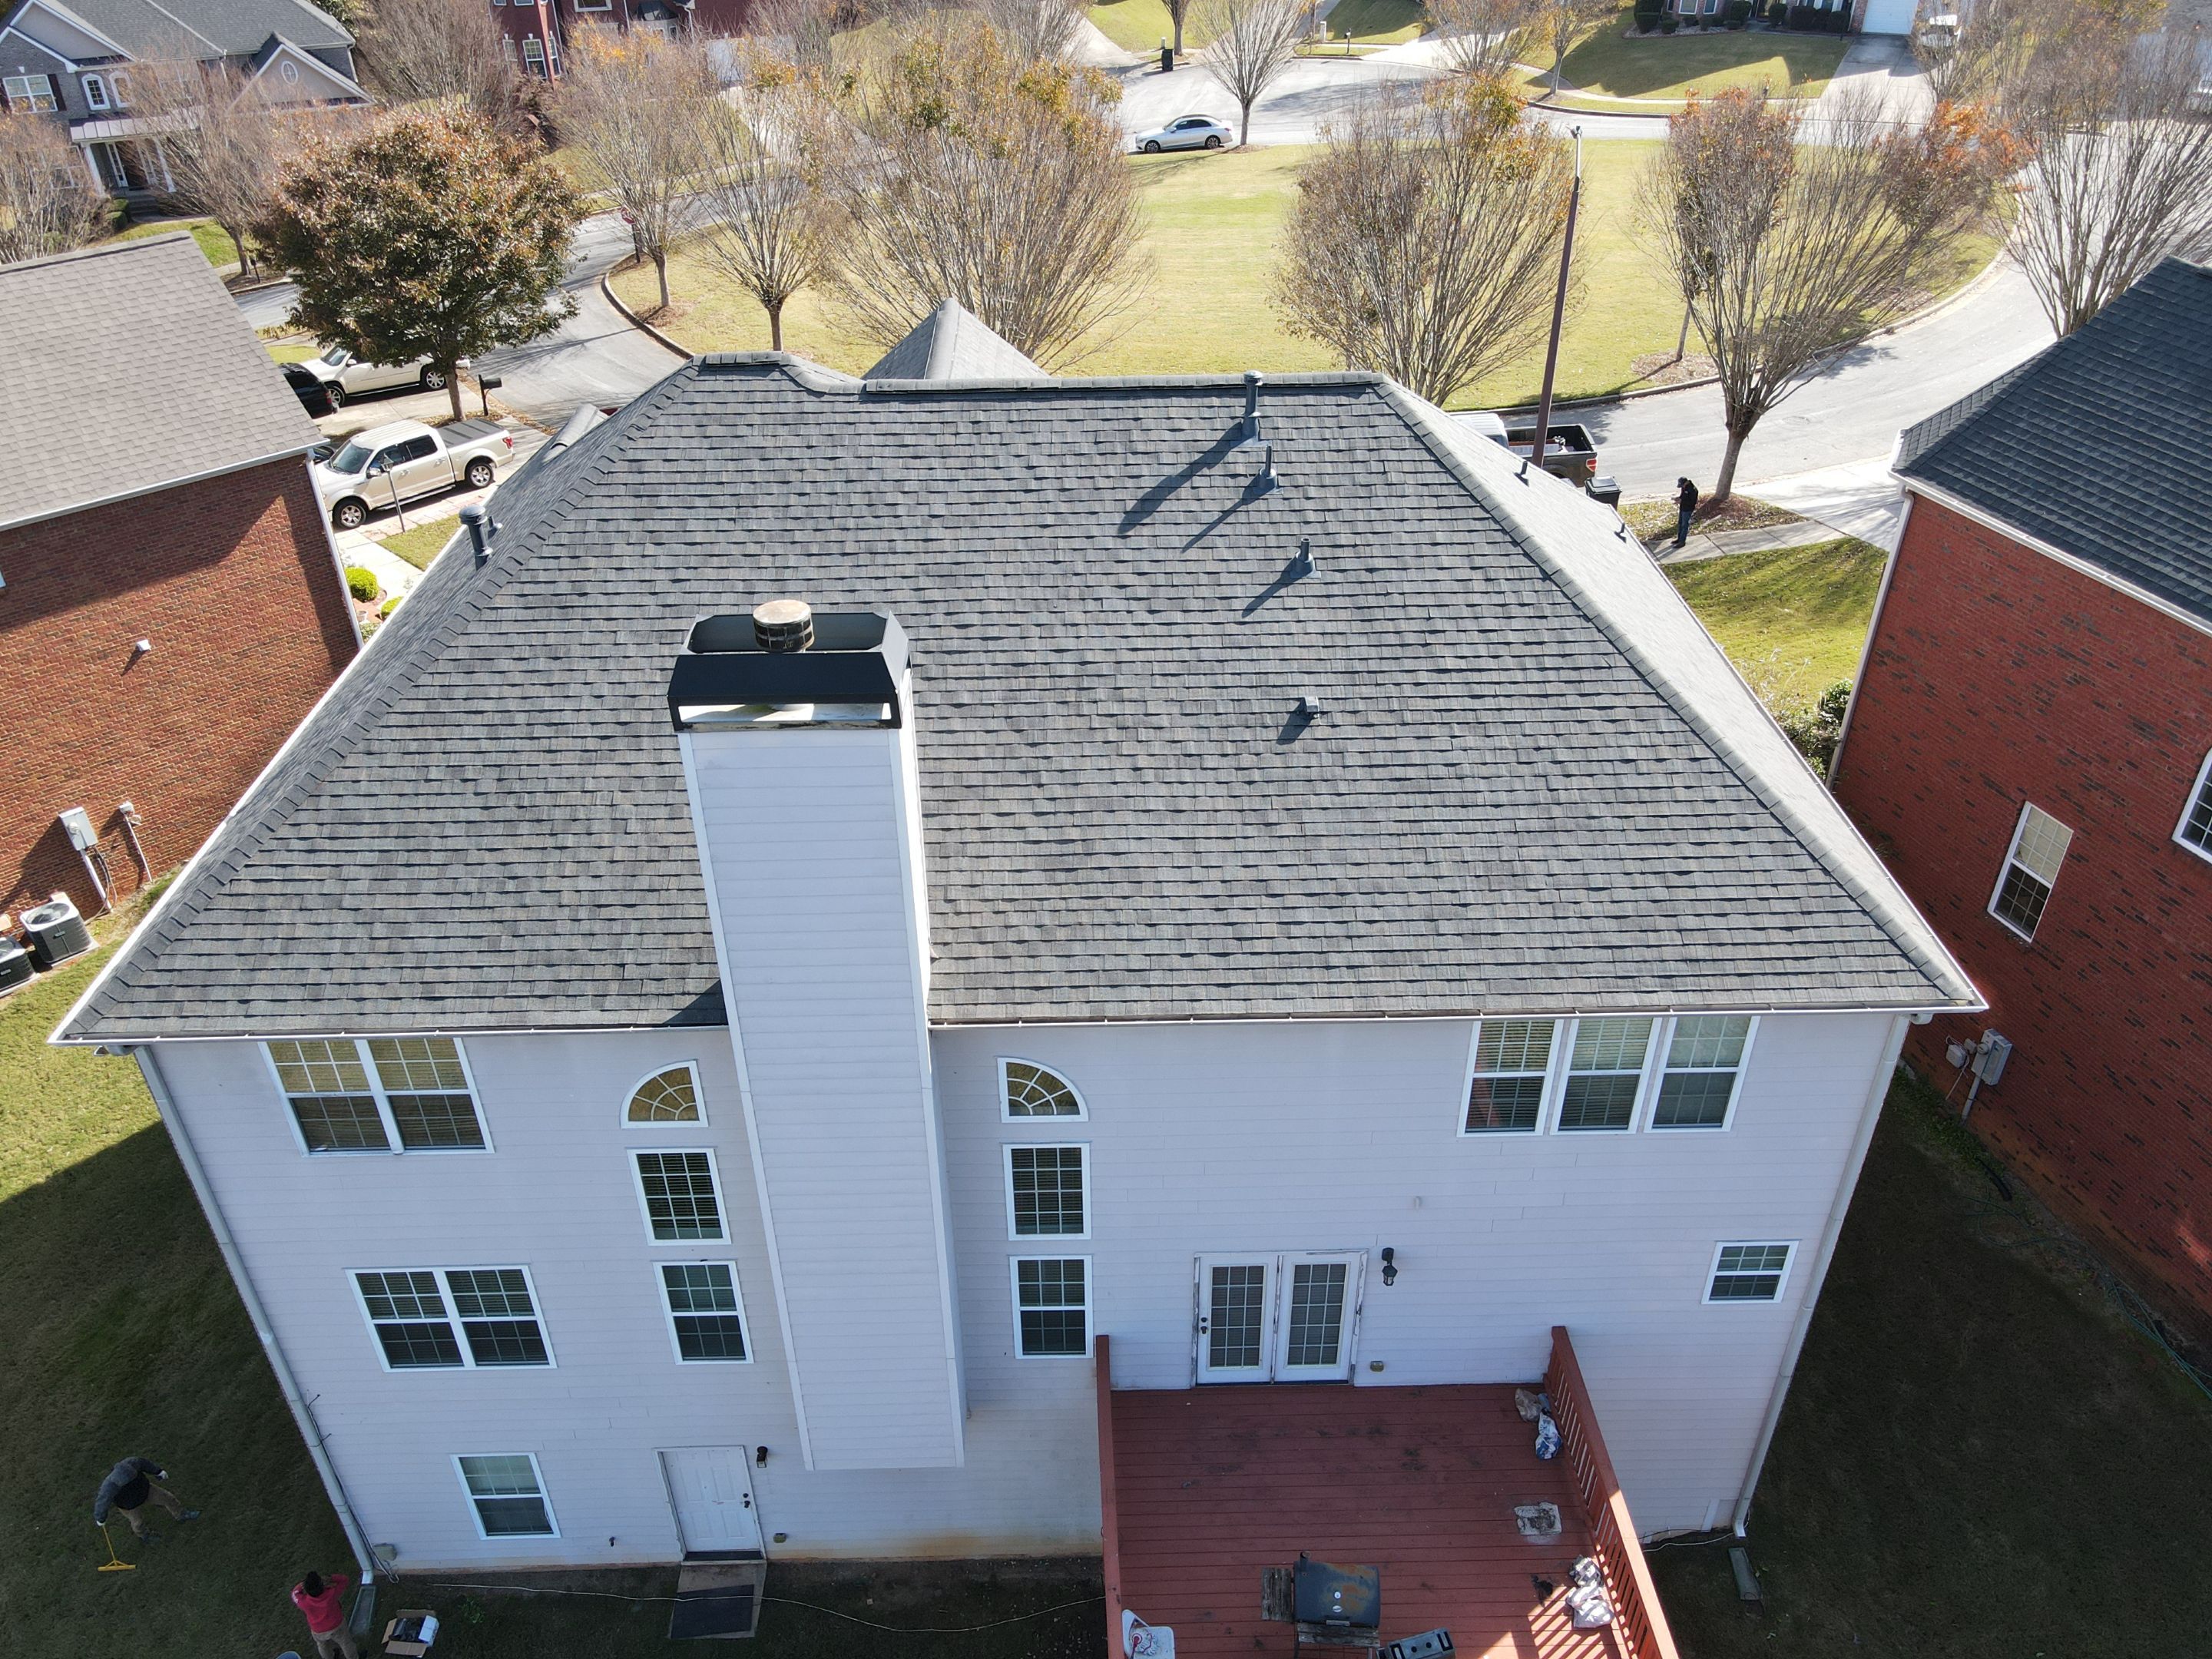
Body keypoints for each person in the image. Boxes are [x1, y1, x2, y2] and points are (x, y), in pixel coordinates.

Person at [92, 1455, 198, 1541]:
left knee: (168, 1498)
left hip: (146, 1490)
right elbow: (102, 1501)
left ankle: (181, 1514)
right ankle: (145, 1535)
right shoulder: (110, 1486)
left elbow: (144, 1464)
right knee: (137, 1522)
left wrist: (158, 1471)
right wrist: (101, 1518)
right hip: (129, 1505)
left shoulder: (132, 1463)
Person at [292, 1570, 360, 1659]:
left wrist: (301, 1585)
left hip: (317, 1629)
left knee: (323, 1646)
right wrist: (330, 1578)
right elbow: (344, 1580)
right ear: (322, 1585)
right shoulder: (332, 1594)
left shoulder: (303, 1602)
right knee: (346, 1643)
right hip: (336, 1626)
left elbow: (294, 1593)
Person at [1673, 476, 1700, 548]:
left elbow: (1692, 502)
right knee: (1680, 523)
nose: (1682, 487)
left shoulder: (1693, 490)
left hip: (1688, 509)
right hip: (1683, 508)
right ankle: (1679, 539)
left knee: (1684, 525)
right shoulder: (1684, 487)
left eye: (1682, 485)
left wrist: (1682, 501)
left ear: (1686, 482)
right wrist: (1678, 499)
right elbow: (1683, 496)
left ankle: (1682, 541)